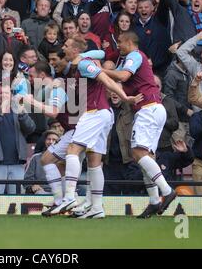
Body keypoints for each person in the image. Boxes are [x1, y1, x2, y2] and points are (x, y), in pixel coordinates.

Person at [46, 36, 141, 218]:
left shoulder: (83, 65)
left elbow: (106, 80)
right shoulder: (82, 61)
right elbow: (101, 52)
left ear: (74, 50)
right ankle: (97, 207)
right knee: (94, 161)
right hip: (102, 114)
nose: (62, 48)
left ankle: (69, 197)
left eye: (66, 45)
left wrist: (123, 96)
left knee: (73, 150)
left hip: (95, 112)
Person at [102, 31, 177, 218]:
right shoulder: (131, 59)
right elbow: (120, 83)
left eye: (119, 42)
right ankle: (153, 202)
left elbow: (123, 76)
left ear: (129, 42)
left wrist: (100, 70)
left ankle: (167, 191)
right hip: (152, 109)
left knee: (137, 153)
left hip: (148, 110)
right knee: (146, 158)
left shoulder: (135, 55)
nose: (117, 45)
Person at [0, 84, 36, 194]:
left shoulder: (19, 109)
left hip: (17, 162)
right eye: (0, 93)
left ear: (11, 95)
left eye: (6, 93)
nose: (3, 95)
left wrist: (22, 115)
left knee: (17, 199)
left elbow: (31, 128)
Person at [24, 129, 61, 194]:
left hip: (60, 191)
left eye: (54, 140)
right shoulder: (35, 157)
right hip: (41, 191)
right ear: (45, 141)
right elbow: (27, 179)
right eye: (48, 139)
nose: (51, 142)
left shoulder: (64, 158)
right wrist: (33, 186)